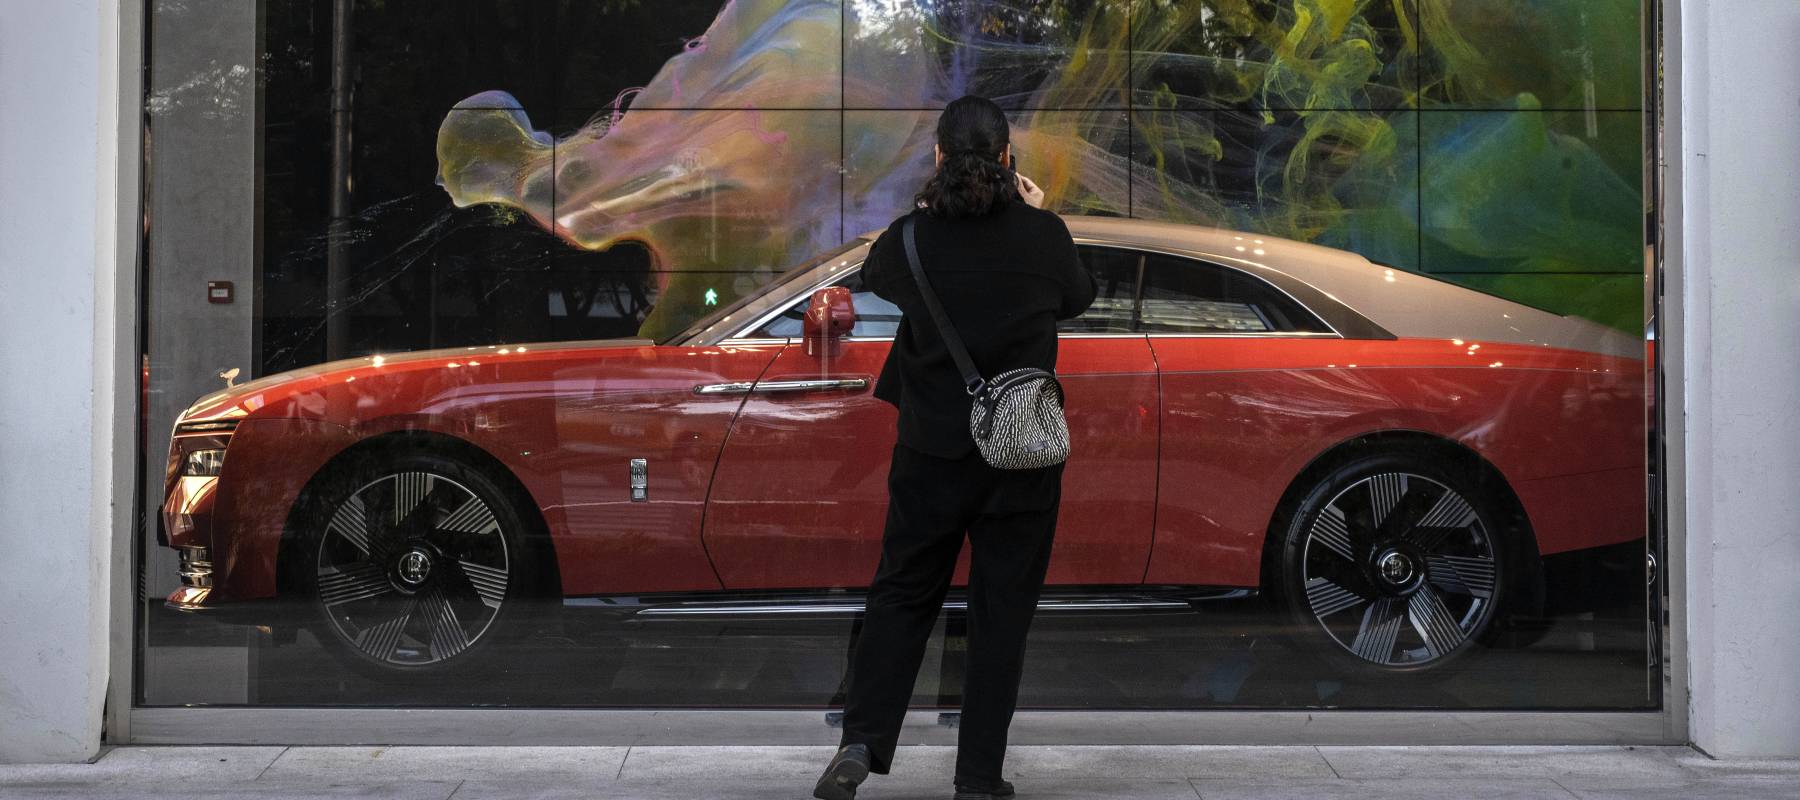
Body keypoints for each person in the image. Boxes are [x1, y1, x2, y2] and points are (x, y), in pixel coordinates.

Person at [813, 95, 1097, 800]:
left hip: (933, 450)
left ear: (938, 158)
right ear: (1009, 160)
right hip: (1021, 453)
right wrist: (1035, 213)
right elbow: (1079, 296)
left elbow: (875, 276)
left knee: (903, 593)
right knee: (1000, 614)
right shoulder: (1044, 236)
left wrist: (925, 208)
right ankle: (977, 778)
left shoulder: (910, 240)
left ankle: (862, 743)